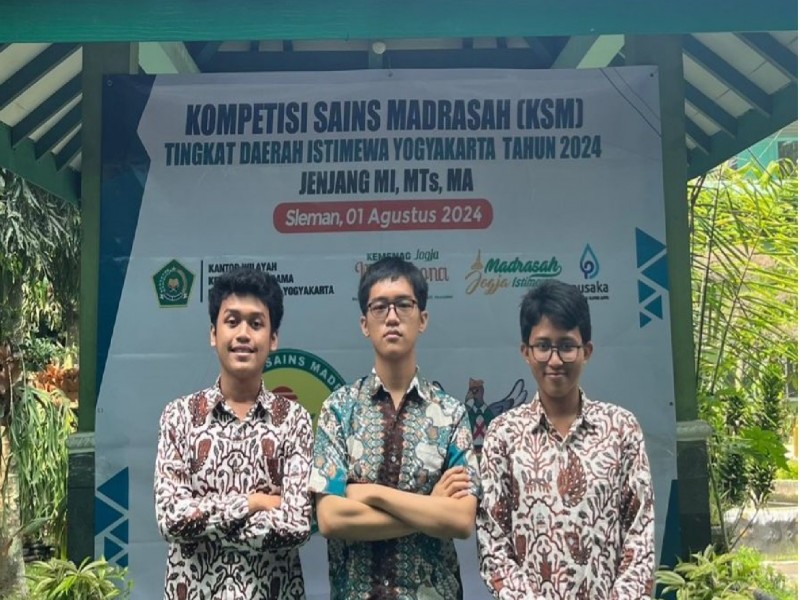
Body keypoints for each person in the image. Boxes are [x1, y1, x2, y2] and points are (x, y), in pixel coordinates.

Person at [309, 256, 480, 599]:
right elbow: (330, 519)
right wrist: (429, 507)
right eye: (379, 307)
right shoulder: (339, 410)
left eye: (403, 304)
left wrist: (371, 493)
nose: (391, 317)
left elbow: (461, 520)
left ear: (422, 319)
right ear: (364, 323)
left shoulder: (450, 414)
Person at [477, 279, 655, 599]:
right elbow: (493, 546)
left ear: (586, 351)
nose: (555, 360)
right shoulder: (503, 435)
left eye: (567, 346)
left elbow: (639, 540)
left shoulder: (621, 429)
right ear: (526, 352)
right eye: (543, 346)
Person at [154, 268, 313, 599]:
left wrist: (205, 521)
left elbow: (296, 525)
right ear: (214, 334)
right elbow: (171, 519)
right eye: (232, 321)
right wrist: (253, 503)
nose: (243, 334)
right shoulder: (179, 416)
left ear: (273, 339)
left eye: (256, 323)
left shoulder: (294, 420)